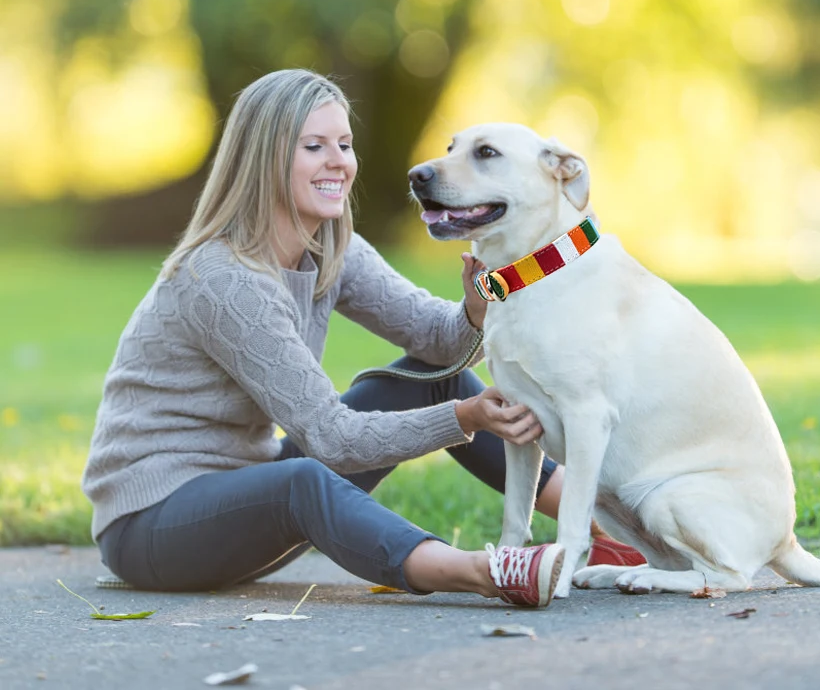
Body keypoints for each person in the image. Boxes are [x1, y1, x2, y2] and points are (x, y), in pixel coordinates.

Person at [82, 69, 636, 609]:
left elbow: (437, 343)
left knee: (429, 379)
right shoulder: (224, 280)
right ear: (264, 158)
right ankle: (486, 572)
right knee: (301, 479)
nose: (338, 163)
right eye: (314, 146)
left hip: (248, 496)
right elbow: (331, 439)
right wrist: (466, 417)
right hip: (152, 527)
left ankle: (617, 528)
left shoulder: (328, 245)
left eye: (344, 144)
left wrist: (474, 307)